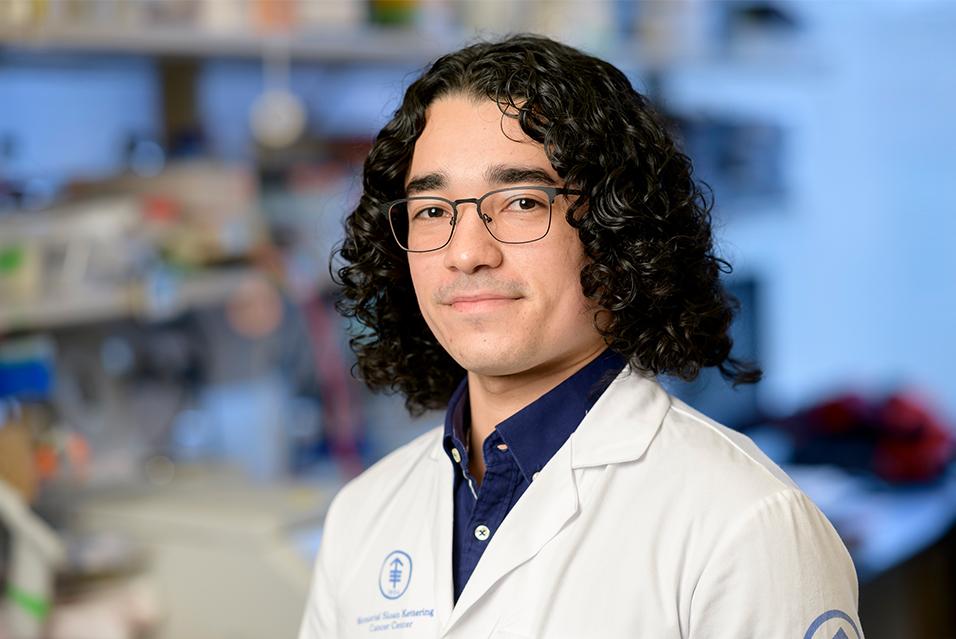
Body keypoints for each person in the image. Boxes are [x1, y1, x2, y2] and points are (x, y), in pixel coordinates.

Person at [298, 34, 863, 639]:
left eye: (520, 201)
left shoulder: (747, 524)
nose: (465, 253)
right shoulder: (362, 518)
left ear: (616, 229)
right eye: (433, 210)